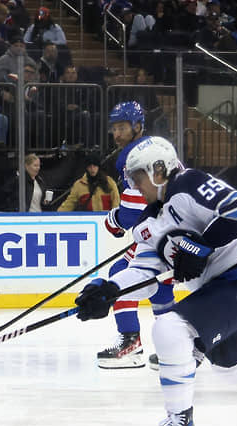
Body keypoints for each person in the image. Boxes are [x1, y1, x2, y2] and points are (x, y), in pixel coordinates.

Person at [74, 136, 237, 426]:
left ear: (159, 169)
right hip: (228, 287)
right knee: (231, 363)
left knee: (170, 327)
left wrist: (200, 246)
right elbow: (145, 272)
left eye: (138, 177)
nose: (134, 185)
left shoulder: (189, 182)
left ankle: (180, 422)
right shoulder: (148, 224)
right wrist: (109, 290)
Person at [98, 101, 176, 369]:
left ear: (138, 126)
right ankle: (173, 348)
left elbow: (131, 215)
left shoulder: (132, 157)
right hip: (175, 229)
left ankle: (131, 344)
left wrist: (113, 221)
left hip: (163, 231)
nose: (117, 134)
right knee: (160, 286)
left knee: (121, 274)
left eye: (122, 127)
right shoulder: (159, 146)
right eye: (114, 128)